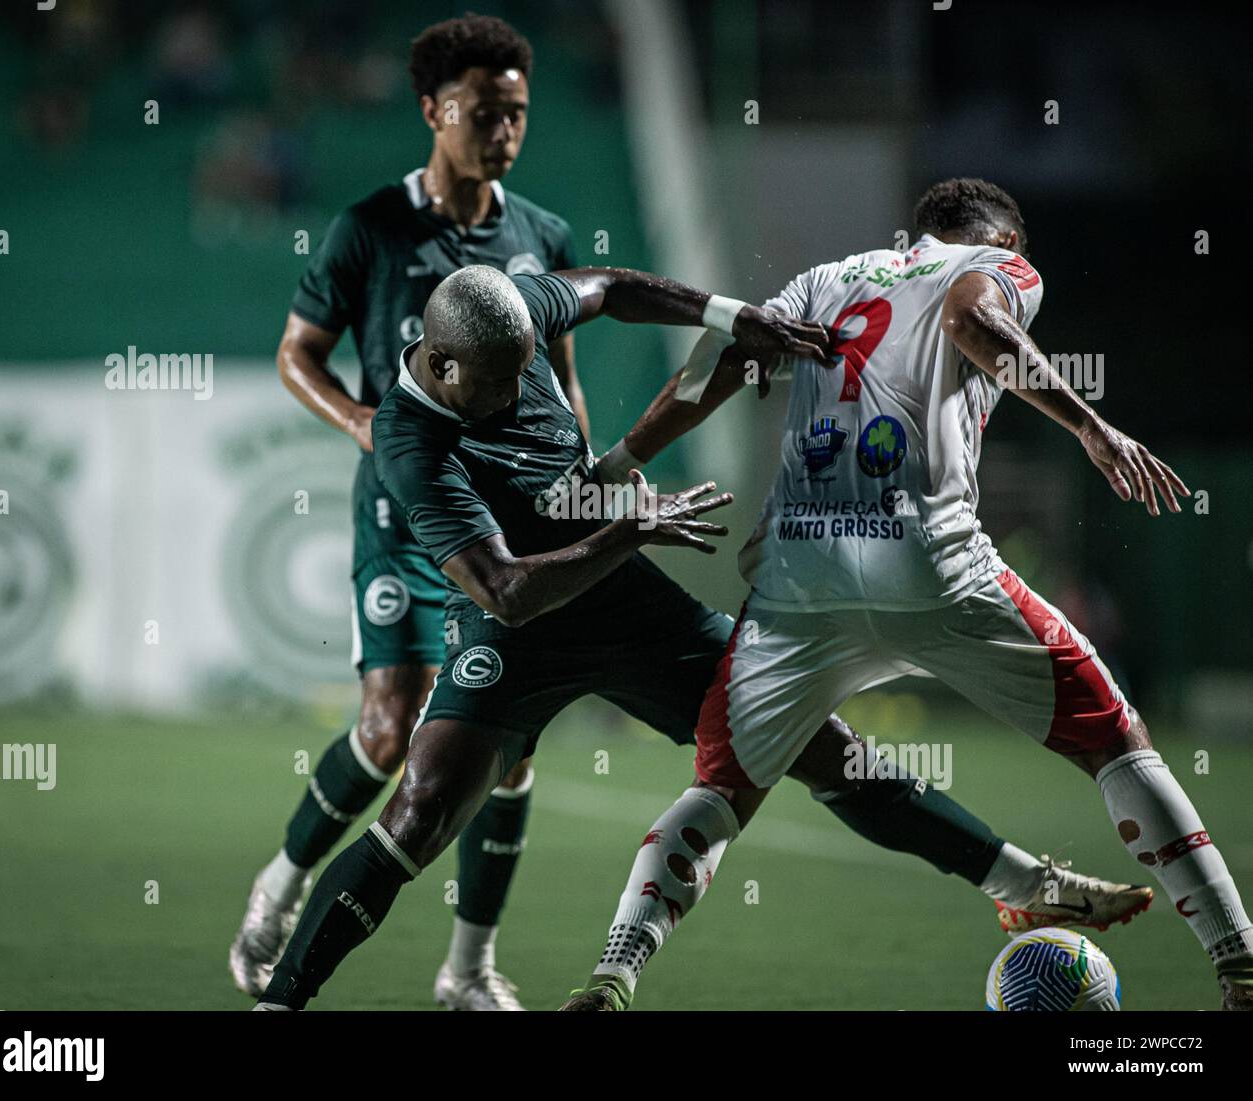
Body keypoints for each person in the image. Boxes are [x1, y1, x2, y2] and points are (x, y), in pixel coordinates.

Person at [254, 262, 1150, 1011]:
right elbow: (506, 590)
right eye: (498, 385)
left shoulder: (506, 321)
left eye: (527, 367)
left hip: (624, 606)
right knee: (416, 816)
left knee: (819, 743)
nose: (519, 390)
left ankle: (1027, 886)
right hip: (514, 630)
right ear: (444, 368)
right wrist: (627, 530)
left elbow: (607, 285)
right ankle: (279, 1001)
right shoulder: (409, 442)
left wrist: (732, 316)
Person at [561, 178, 1251, 1011]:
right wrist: (1090, 426)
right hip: (934, 566)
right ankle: (1239, 961)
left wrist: (617, 464)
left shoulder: (822, 280)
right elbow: (969, 320)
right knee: (1116, 739)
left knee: (720, 789)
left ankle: (613, 974)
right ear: (1004, 241)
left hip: (798, 578)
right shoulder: (1002, 266)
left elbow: (726, 363)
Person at [230, 14, 586, 1010]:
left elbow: (559, 381)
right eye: (484, 112)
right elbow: (296, 350)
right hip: (404, 513)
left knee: (506, 749)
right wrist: (354, 417)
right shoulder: (370, 229)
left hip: (508, 522)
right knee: (389, 732)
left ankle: (467, 971)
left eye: (517, 113)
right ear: (434, 111)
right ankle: (282, 884)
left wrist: (582, 482)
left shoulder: (541, 237)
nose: (504, 131)